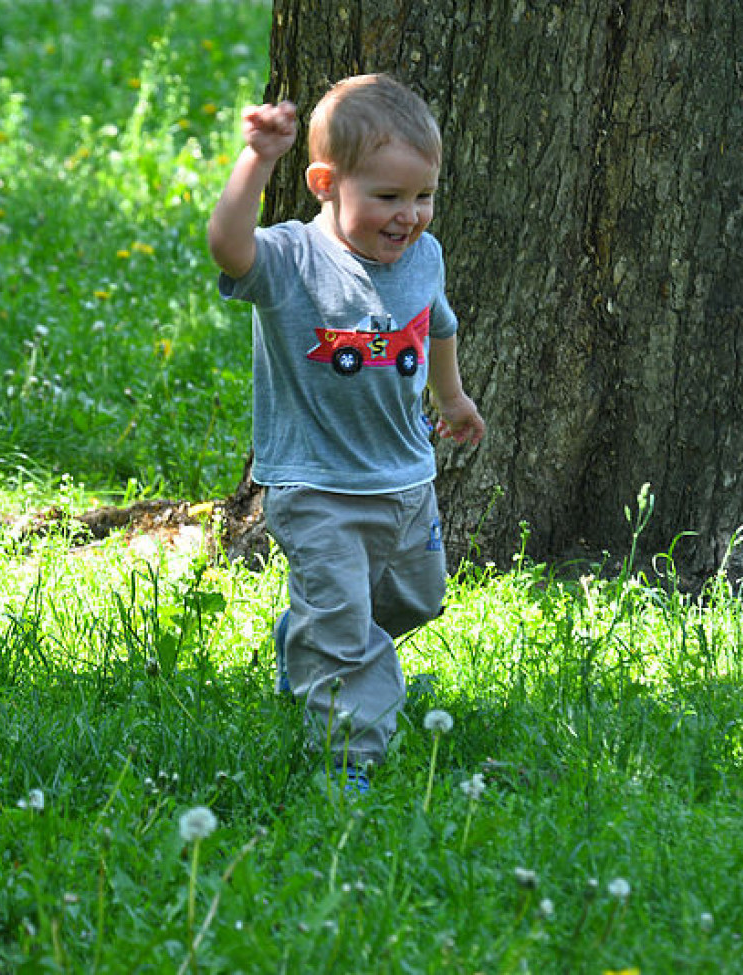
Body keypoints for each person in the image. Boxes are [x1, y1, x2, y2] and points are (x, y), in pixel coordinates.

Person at [207, 74, 485, 791]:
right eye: (387, 197)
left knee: (417, 600)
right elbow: (227, 247)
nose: (409, 216)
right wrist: (257, 159)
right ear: (326, 183)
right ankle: (348, 757)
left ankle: (319, 645)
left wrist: (450, 396)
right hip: (317, 486)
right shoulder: (293, 260)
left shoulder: (424, 255)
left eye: (422, 196)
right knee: (344, 628)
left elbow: (438, 325)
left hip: (405, 477)